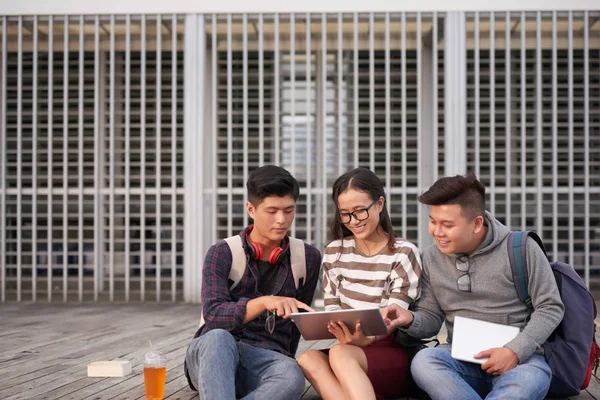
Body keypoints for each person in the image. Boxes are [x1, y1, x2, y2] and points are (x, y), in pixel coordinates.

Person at [382, 173, 564, 400]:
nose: (437, 232)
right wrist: (409, 319)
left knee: (528, 381)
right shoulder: (430, 257)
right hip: (460, 362)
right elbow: (430, 318)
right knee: (424, 362)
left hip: (520, 363)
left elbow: (550, 307)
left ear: (477, 223)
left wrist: (514, 351)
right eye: (433, 221)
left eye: (447, 225)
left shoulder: (522, 248)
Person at [184, 165, 322, 400]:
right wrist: (264, 302)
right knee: (218, 338)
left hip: (265, 360)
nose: (281, 220)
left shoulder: (307, 258)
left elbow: (294, 331)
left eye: (289, 210)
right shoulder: (222, 253)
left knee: (291, 374)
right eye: (272, 211)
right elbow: (214, 316)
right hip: (214, 355)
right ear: (251, 209)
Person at [298, 167, 422, 400]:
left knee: (340, 354)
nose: (353, 221)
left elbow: (394, 316)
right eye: (345, 214)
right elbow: (333, 310)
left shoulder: (404, 253)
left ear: (380, 204)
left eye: (360, 211)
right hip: (347, 348)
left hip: (390, 352)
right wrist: (337, 329)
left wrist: (368, 338)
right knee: (308, 358)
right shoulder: (334, 252)